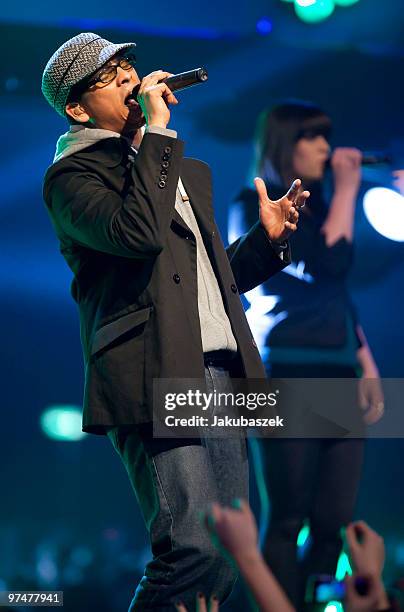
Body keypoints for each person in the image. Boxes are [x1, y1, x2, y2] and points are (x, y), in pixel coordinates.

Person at [41, 34, 310, 610]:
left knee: (226, 554)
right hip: (155, 368)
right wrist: (155, 135)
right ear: (77, 107)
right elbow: (135, 236)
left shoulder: (179, 169)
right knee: (192, 550)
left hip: (223, 368)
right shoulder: (72, 178)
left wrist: (265, 242)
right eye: (109, 73)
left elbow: (212, 280)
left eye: (127, 65)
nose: (128, 77)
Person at [230, 101, 384, 609]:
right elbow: (329, 264)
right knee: (288, 514)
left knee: (333, 521)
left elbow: (339, 294)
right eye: (313, 138)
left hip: (339, 368)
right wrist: (347, 189)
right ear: (285, 144)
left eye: (327, 138)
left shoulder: (323, 206)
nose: (326, 148)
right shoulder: (251, 206)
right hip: (286, 374)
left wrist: (366, 362)